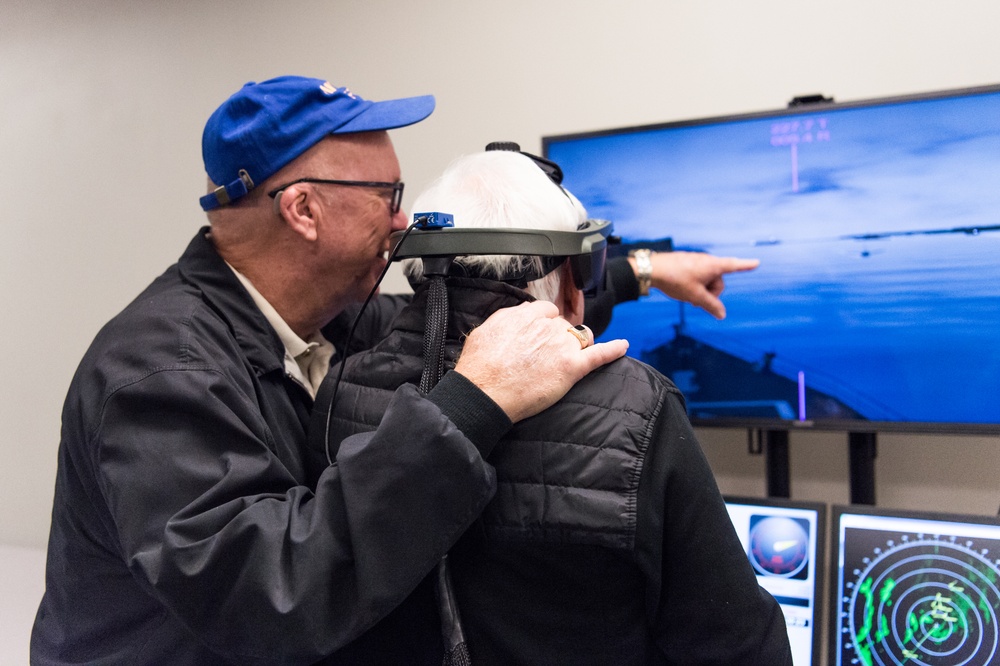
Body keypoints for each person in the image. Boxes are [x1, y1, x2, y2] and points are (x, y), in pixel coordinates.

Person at [31, 75, 758, 665]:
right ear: (304, 209)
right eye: (388, 197)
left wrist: (640, 270)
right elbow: (268, 596)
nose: (404, 223)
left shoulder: (335, 321)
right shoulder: (160, 373)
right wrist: (475, 401)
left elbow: (487, 302)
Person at [318, 149, 793, 664]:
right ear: (572, 276)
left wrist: (644, 271)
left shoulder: (338, 391)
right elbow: (736, 640)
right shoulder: (636, 406)